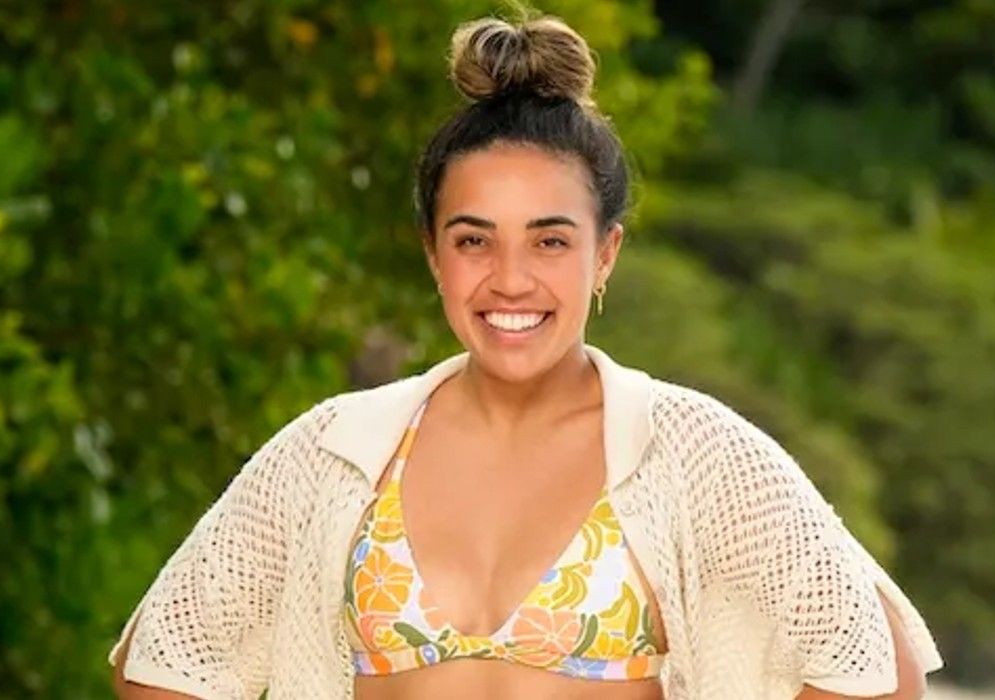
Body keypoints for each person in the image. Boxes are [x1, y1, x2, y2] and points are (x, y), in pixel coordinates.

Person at [109, 11, 945, 700]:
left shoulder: (694, 452)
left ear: (605, 254)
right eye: (474, 240)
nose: (510, 280)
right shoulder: (338, 451)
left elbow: (872, 665)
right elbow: (166, 663)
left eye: (550, 241)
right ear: (434, 254)